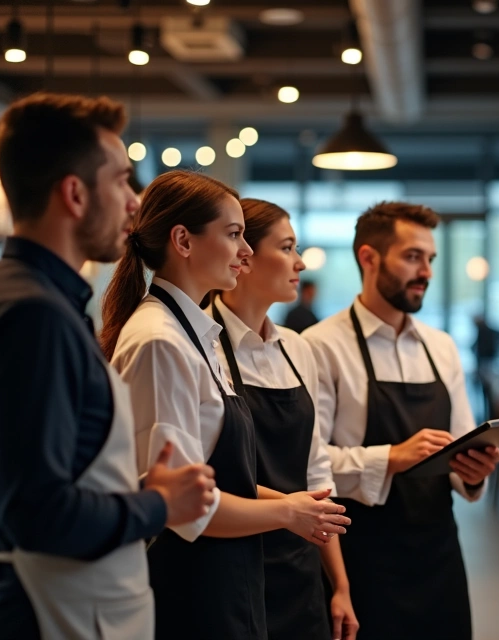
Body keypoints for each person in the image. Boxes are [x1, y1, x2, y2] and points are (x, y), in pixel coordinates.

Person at [0, 93, 216, 639]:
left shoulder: (36, 299)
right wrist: (156, 504)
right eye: (121, 181)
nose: (136, 202)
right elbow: (38, 512)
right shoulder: (31, 314)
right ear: (73, 194)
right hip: (44, 615)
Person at [99, 171, 350, 640]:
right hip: (188, 586)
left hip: (227, 575)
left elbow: (219, 474)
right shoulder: (160, 341)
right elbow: (179, 505)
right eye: (234, 235)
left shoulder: (195, 335)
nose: (246, 251)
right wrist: (286, 512)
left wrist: (296, 504)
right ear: (183, 241)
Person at [303, 202, 499, 640]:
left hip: (438, 552)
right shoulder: (319, 346)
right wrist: (390, 458)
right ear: (369, 258)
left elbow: (461, 446)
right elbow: (307, 466)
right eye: (413, 257)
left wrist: (472, 474)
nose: (427, 271)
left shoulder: (442, 346)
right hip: (361, 556)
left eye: (430, 259)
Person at [210, 199, 359, 640]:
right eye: (288, 247)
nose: (298, 262)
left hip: (300, 564)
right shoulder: (204, 347)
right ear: (244, 256)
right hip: (232, 561)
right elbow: (204, 476)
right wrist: (289, 508)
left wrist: (341, 585)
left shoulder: (297, 349)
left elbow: (317, 474)